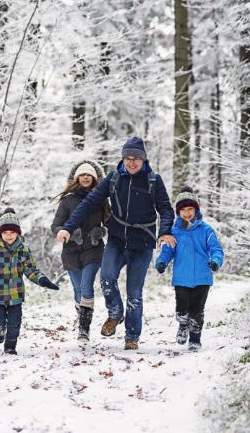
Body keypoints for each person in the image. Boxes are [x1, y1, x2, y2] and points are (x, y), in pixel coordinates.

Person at [56, 137, 175, 350]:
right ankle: (115, 313)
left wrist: (165, 231)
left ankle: (131, 336)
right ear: (122, 158)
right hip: (117, 240)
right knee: (107, 277)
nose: (131, 163)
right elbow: (88, 203)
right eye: (128, 158)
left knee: (134, 291)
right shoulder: (113, 179)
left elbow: (165, 208)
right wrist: (67, 226)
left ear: (143, 159)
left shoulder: (153, 180)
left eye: (136, 159)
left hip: (143, 242)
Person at [0, 208, 59, 355]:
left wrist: (42, 280)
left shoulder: (23, 250)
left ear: (18, 232)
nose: (9, 236)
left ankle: (10, 346)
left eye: (12, 232)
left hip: (15, 294)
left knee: (15, 324)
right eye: (5, 232)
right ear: (0, 233)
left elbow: (30, 270)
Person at [154, 186, 224, 352]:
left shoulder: (206, 230)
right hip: (181, 278)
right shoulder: (173, 232)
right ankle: (182, 325)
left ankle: (195, 340)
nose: (187, 213)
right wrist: (162, 262)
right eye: (183, 210)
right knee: (182, 309)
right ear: (178, 212)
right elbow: (167, 251)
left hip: (202, 278)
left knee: (197, 312)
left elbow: (216, 249)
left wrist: (215, 261)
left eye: (190, 209)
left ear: (196, 210)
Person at [50, 160, 107, 342]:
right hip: (71, 250)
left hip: (93, 247)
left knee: (86, 285)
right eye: (82, 175)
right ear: (77, 179)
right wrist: (64, 232)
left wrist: (101, 231)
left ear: (93, 179)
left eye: (88, 175)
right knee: (77, 289)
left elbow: (110, 222)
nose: (85, 177)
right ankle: (83, 313)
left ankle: (84, 328)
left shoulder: (101, 199)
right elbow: (56, 225)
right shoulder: (67, 201)